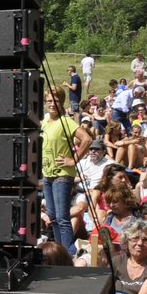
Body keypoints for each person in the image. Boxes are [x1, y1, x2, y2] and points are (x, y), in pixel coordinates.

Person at [41, 90, 89, 254]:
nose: (52, 104)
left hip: (62, 174)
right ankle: (59, 252)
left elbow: (87, 139)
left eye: (55, 100)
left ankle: (68, 252)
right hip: (47, 174)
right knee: (53, 217)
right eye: (48, 100)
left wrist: (73, 160)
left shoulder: (65, 121)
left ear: (62, 102)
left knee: (62, 218)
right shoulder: (46, 121)